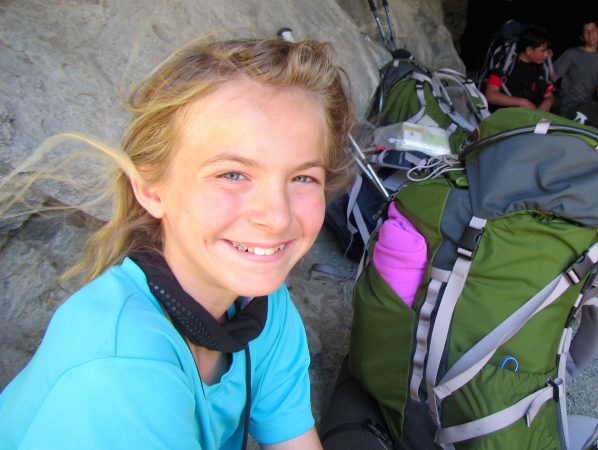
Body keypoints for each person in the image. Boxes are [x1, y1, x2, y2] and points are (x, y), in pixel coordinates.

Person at [0, 37, 354, 448]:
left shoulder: (264, 311)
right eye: (232, 174)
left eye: (302, 178)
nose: (276, 217)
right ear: (151, 189)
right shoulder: (121, 372)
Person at [483, 27, 555, 112]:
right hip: (507, 117)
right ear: (529, 50)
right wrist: (522, 102)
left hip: (534, 119)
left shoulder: (543, 68)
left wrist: (548, 101)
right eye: (543, 51)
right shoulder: (506, 64)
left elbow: (548, 94)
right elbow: (491, 95)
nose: (547, 55)